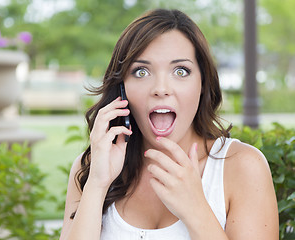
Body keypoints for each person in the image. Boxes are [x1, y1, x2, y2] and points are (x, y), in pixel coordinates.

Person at [60, 9, 279, 240]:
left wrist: (196, 210)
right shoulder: (92, 167)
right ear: (122, 88)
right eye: (141, 71)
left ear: (203, 84)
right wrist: (97, 184)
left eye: (181, 71)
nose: (161, 89)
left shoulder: (243, 167)